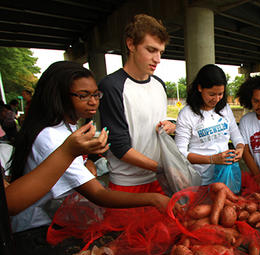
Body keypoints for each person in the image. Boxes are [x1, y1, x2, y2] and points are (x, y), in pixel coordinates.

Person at [9, 61, 170, 233]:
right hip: (36, 226)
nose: (93, 102)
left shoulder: (68, 126)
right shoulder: (51, 137)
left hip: (54, 217)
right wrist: (154, 198)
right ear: (60, 95)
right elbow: (99, 194)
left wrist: (88, 161)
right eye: (83, 95)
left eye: (96, 95)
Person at [99, 14, 175, 194]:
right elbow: (119, 146)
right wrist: (163, 167)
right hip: (127, 184)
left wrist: (170, 127)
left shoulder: (159, 85)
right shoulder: (111, 86)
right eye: (151, 50)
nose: (158, 59)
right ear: (131, 44)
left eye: (160, 52)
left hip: (157, 180)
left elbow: (156, 126)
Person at [175, 64, 245, 185]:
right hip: (199, 180)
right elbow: (180, 153)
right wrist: (212, 159)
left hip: (224, 176)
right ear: (200, 88)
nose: (216, 99)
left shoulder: (225, 109)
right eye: (212, 94)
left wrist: (240, 148)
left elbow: (236, 136)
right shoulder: (187, 114)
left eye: (221, 94)